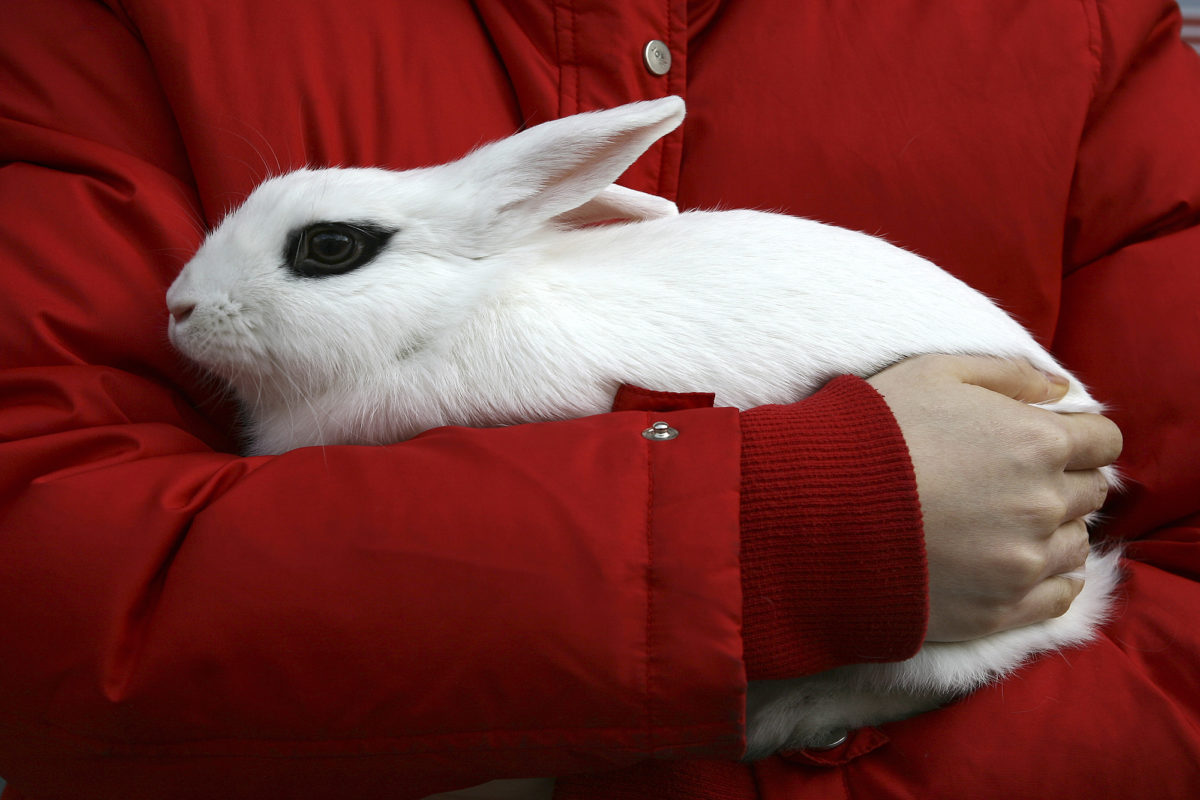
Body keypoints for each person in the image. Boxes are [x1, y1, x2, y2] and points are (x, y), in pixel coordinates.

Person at [0, 1, 1194, 798]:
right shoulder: (115, 33)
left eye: (323, 252)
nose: (188, 304)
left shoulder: (1078, 28)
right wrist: (807, 520)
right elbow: (63, 573)